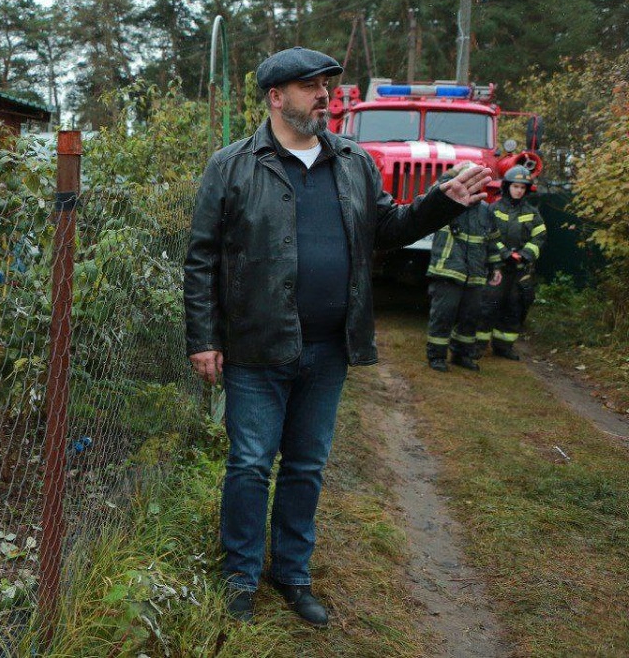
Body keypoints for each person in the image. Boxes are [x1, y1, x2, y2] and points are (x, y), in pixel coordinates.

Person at [183, 47, 492, 625]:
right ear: (276, 97)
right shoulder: (231, 164)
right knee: (251, 462)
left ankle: (292, 574)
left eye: (327, 85)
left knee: (306, 465)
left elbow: (389, 229)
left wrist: (437, 203)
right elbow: (201, 258)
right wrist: (204, 337)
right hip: (256, 344)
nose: (324, 95)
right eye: (309, 86)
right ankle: (241, 575)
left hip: (329, 348)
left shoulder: (352, 160)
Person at [424, 174, 504, 372]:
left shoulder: (486, 211)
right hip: (448, 270)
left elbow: (492, 241)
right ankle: (437, 357)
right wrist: (450, 176)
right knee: (443, 315)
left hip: (476, 273)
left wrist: (496, 267)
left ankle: (463, 355)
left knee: (470, 317)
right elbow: (431, 197)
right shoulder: (447, 204)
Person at [479, 165, 547, 360]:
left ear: (526, 190)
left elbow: (540, 237)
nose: (518, 190)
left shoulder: (533, 213)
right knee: (487, 305)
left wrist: (525, 254)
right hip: (497, 268)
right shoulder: (494, 209)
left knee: (514, 307)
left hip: (520, 270)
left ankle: (503, 347)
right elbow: (488, 236)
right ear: (507, 186)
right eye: (515, 186)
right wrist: (504, 253)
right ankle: (477, 345)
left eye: (522, 187)